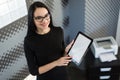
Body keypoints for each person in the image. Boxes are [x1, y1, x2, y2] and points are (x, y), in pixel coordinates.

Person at [24, 1, 73, 80]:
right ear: (32, 20)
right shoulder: (29, 41)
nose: (44, 21)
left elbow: (63, 60)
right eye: (39, 18)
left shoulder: (58, 31)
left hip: (63, 76)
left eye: (46, 16)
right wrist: (56, 63)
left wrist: (66, 51)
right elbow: (33, 71)